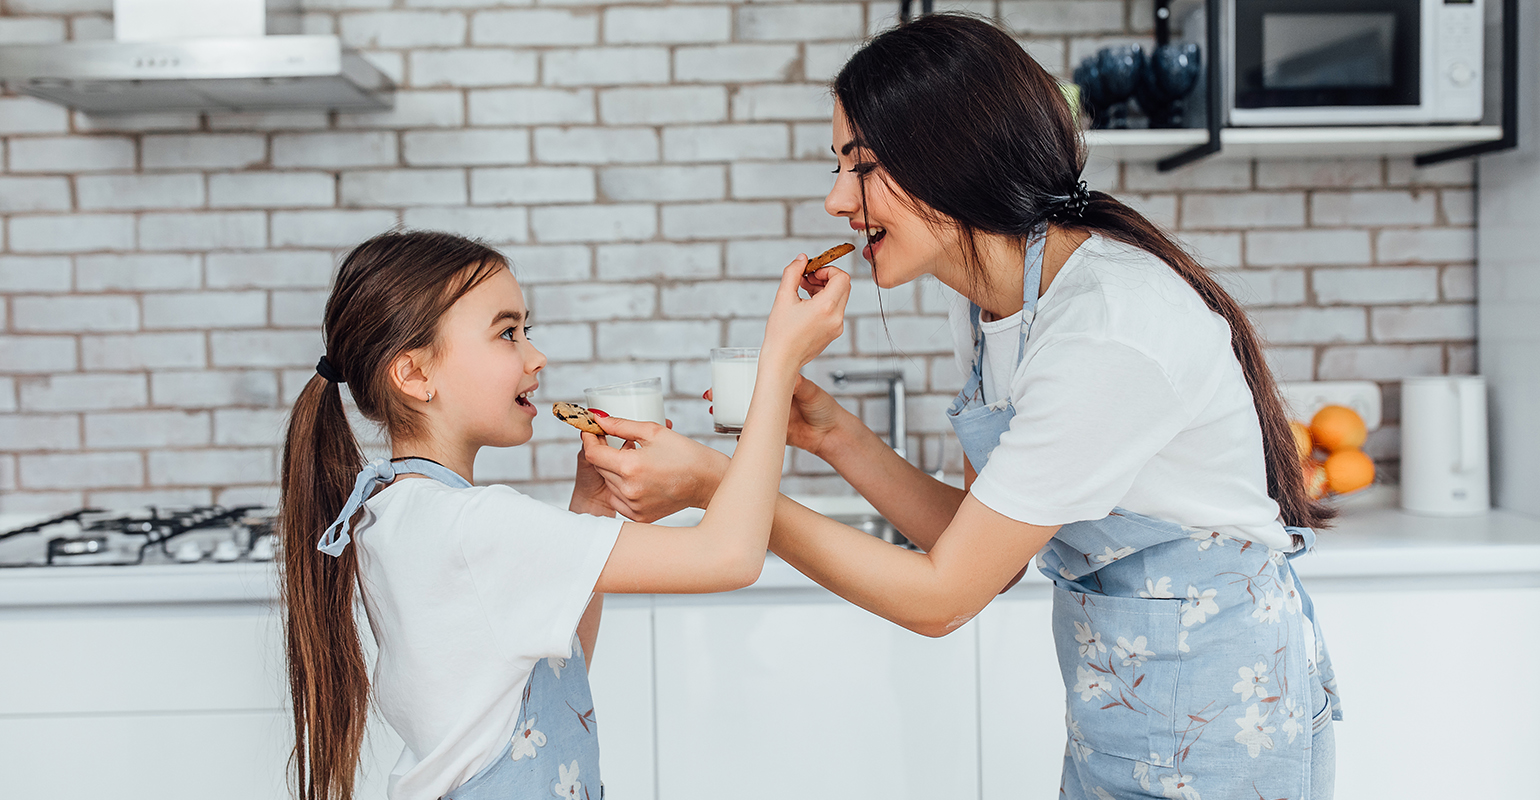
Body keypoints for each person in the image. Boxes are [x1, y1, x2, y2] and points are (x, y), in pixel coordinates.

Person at [581, 14, 1339, 800]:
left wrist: (717, 486)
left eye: (861, 165)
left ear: (953, 154)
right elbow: (984, 544)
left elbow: (945, 597)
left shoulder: (1109, 330)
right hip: (1120, 712)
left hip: (1226, 721)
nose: (837, 199)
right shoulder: (986, 301)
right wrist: (833, 434)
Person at [278, 230, 848, 800]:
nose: (536, 355)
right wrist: (777, 365)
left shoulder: (397, 511)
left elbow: (547, 674)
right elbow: (731, 557)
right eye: (507, 333)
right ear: (416, 375)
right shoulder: (475, 526)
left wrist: (593, 508)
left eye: (528, 330)